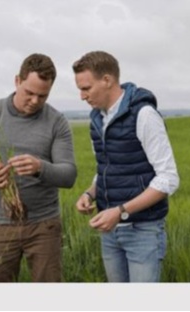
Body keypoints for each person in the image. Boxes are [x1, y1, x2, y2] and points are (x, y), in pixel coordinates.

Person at [0, 53, 77, 282]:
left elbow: (69, 174)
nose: (34, 101)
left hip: (44, 226)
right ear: (17, 81)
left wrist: (40, 167)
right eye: (29, 93)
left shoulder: (56, 121)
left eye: (42, 96)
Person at [71, 50, 179, 282]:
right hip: (110, 231)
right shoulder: (96, 120)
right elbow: (109, 169)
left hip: (143, 231)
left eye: (86, 88)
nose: (82, 96)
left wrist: (120, 211)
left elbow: (168, 179)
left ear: (107, 80)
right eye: (80, 89)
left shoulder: (144, 115)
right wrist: (90, 193)